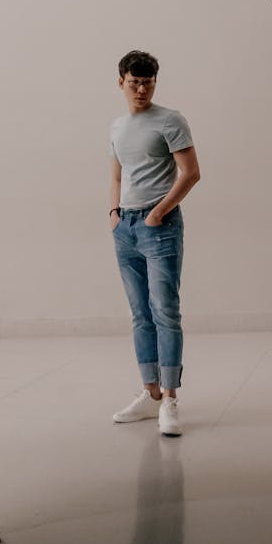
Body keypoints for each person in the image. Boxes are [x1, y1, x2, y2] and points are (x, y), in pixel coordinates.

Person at [109, 50, 200, 436]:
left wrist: (158, 212)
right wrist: (113, 214)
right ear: (121, 83)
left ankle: (171, 399)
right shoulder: (117, 127)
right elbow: (117, 175)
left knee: (165, 312)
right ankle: (150, 394)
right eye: (135, 83)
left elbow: (191, 173)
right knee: (139, 314)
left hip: (158, 225)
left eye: (148, 82)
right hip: (126, 227)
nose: (142, 89)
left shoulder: (170, 120)